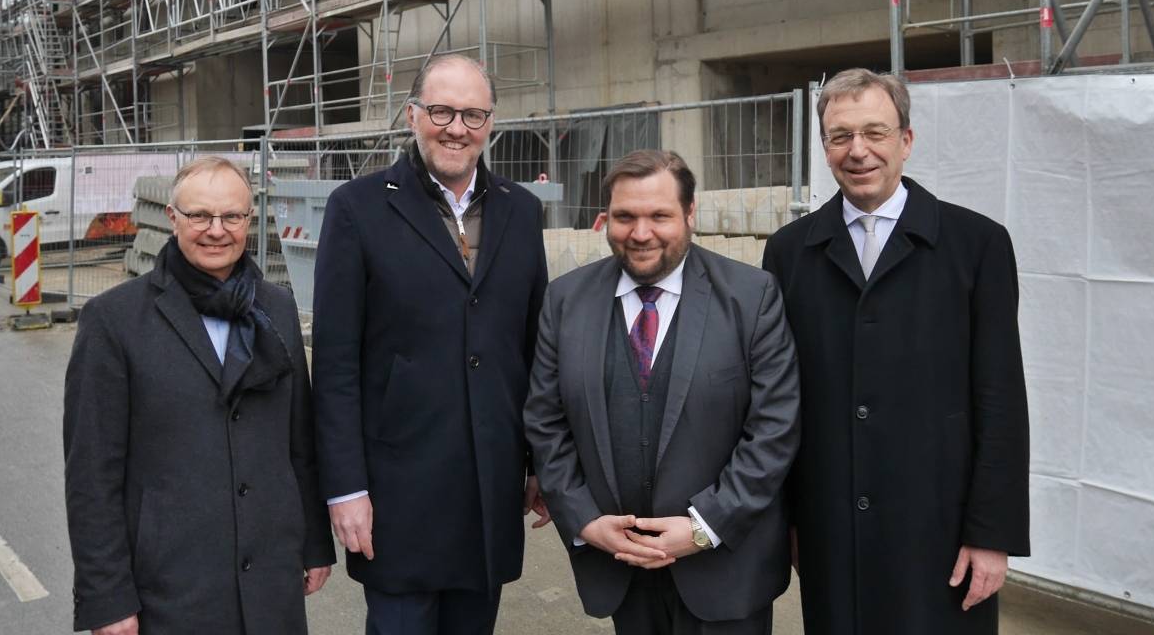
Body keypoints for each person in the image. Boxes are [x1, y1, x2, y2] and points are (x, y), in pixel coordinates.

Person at [761, 68, 1030, 635]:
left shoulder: (977, 245)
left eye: (875, 132)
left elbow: (1001, 398)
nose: (858, 150)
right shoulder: (788, 253)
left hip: (940, 532)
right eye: (840, 136)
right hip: (830, 528)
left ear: (906, 140)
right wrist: (788, 520)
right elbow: (780, 400)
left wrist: (992, 534)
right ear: (825, 148)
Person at [311, 54, 549, 635]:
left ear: (490, 123)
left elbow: (536, 350)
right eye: (441, 111)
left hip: (489, 488)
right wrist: (345, 488)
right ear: (413, 115)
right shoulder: (358, 208)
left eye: (473, 115)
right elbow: (336, 364)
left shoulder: (521, 210)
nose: (456, 128)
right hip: (399, 494)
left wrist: (542, 462)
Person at [526, 149, 800, 634]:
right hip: (620, 567)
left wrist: (703, 528)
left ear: (690, 214)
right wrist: (585, 521)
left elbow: (774, 429)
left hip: (726, 573)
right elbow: (546, 421)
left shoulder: (752, 297)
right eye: (625, 217)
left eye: (659, 216)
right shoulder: (565, 300)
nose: (640, 233)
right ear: (606, 217)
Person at [63, 156, 335, 635]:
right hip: (170, 588)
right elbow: (92, 473)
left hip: (271, 581)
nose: (216, 230)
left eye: (231, 216)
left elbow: (300, 444)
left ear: (249, 219)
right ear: (172, 218)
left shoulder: (277, 309)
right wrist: (107, 597)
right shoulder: (114, 320)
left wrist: (315, 543)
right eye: (200, 216)